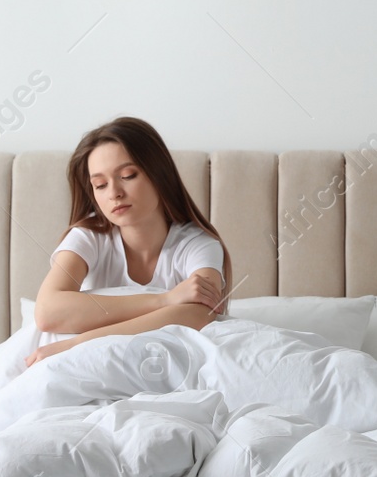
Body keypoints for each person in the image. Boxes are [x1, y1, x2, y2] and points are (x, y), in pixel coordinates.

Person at [25, 117, 232, 367]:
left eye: (128, 175)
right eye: (100, 185)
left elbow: (201, 315)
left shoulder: (198, 245)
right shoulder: (89, 237)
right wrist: (165, 300)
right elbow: (48, 311)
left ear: (159, 175)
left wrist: (78, 344)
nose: (114, 193)